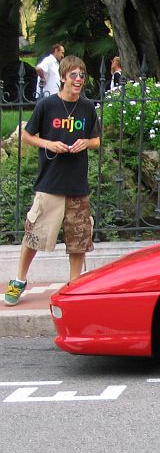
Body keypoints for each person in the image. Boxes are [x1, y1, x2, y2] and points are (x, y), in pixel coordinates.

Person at [5, 56, 101, 307]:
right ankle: (19, 280)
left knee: (78, 239)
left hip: (77, 184)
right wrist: (48, 143)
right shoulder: (47, 105)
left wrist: (85, 143)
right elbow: (27, 136)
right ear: (63, 77)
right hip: (50, 182)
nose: (79, 80)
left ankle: (74, 286)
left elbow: (96, 140)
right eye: (74, 75)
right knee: (33, 236)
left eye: (82, 75)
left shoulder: (87, 107)